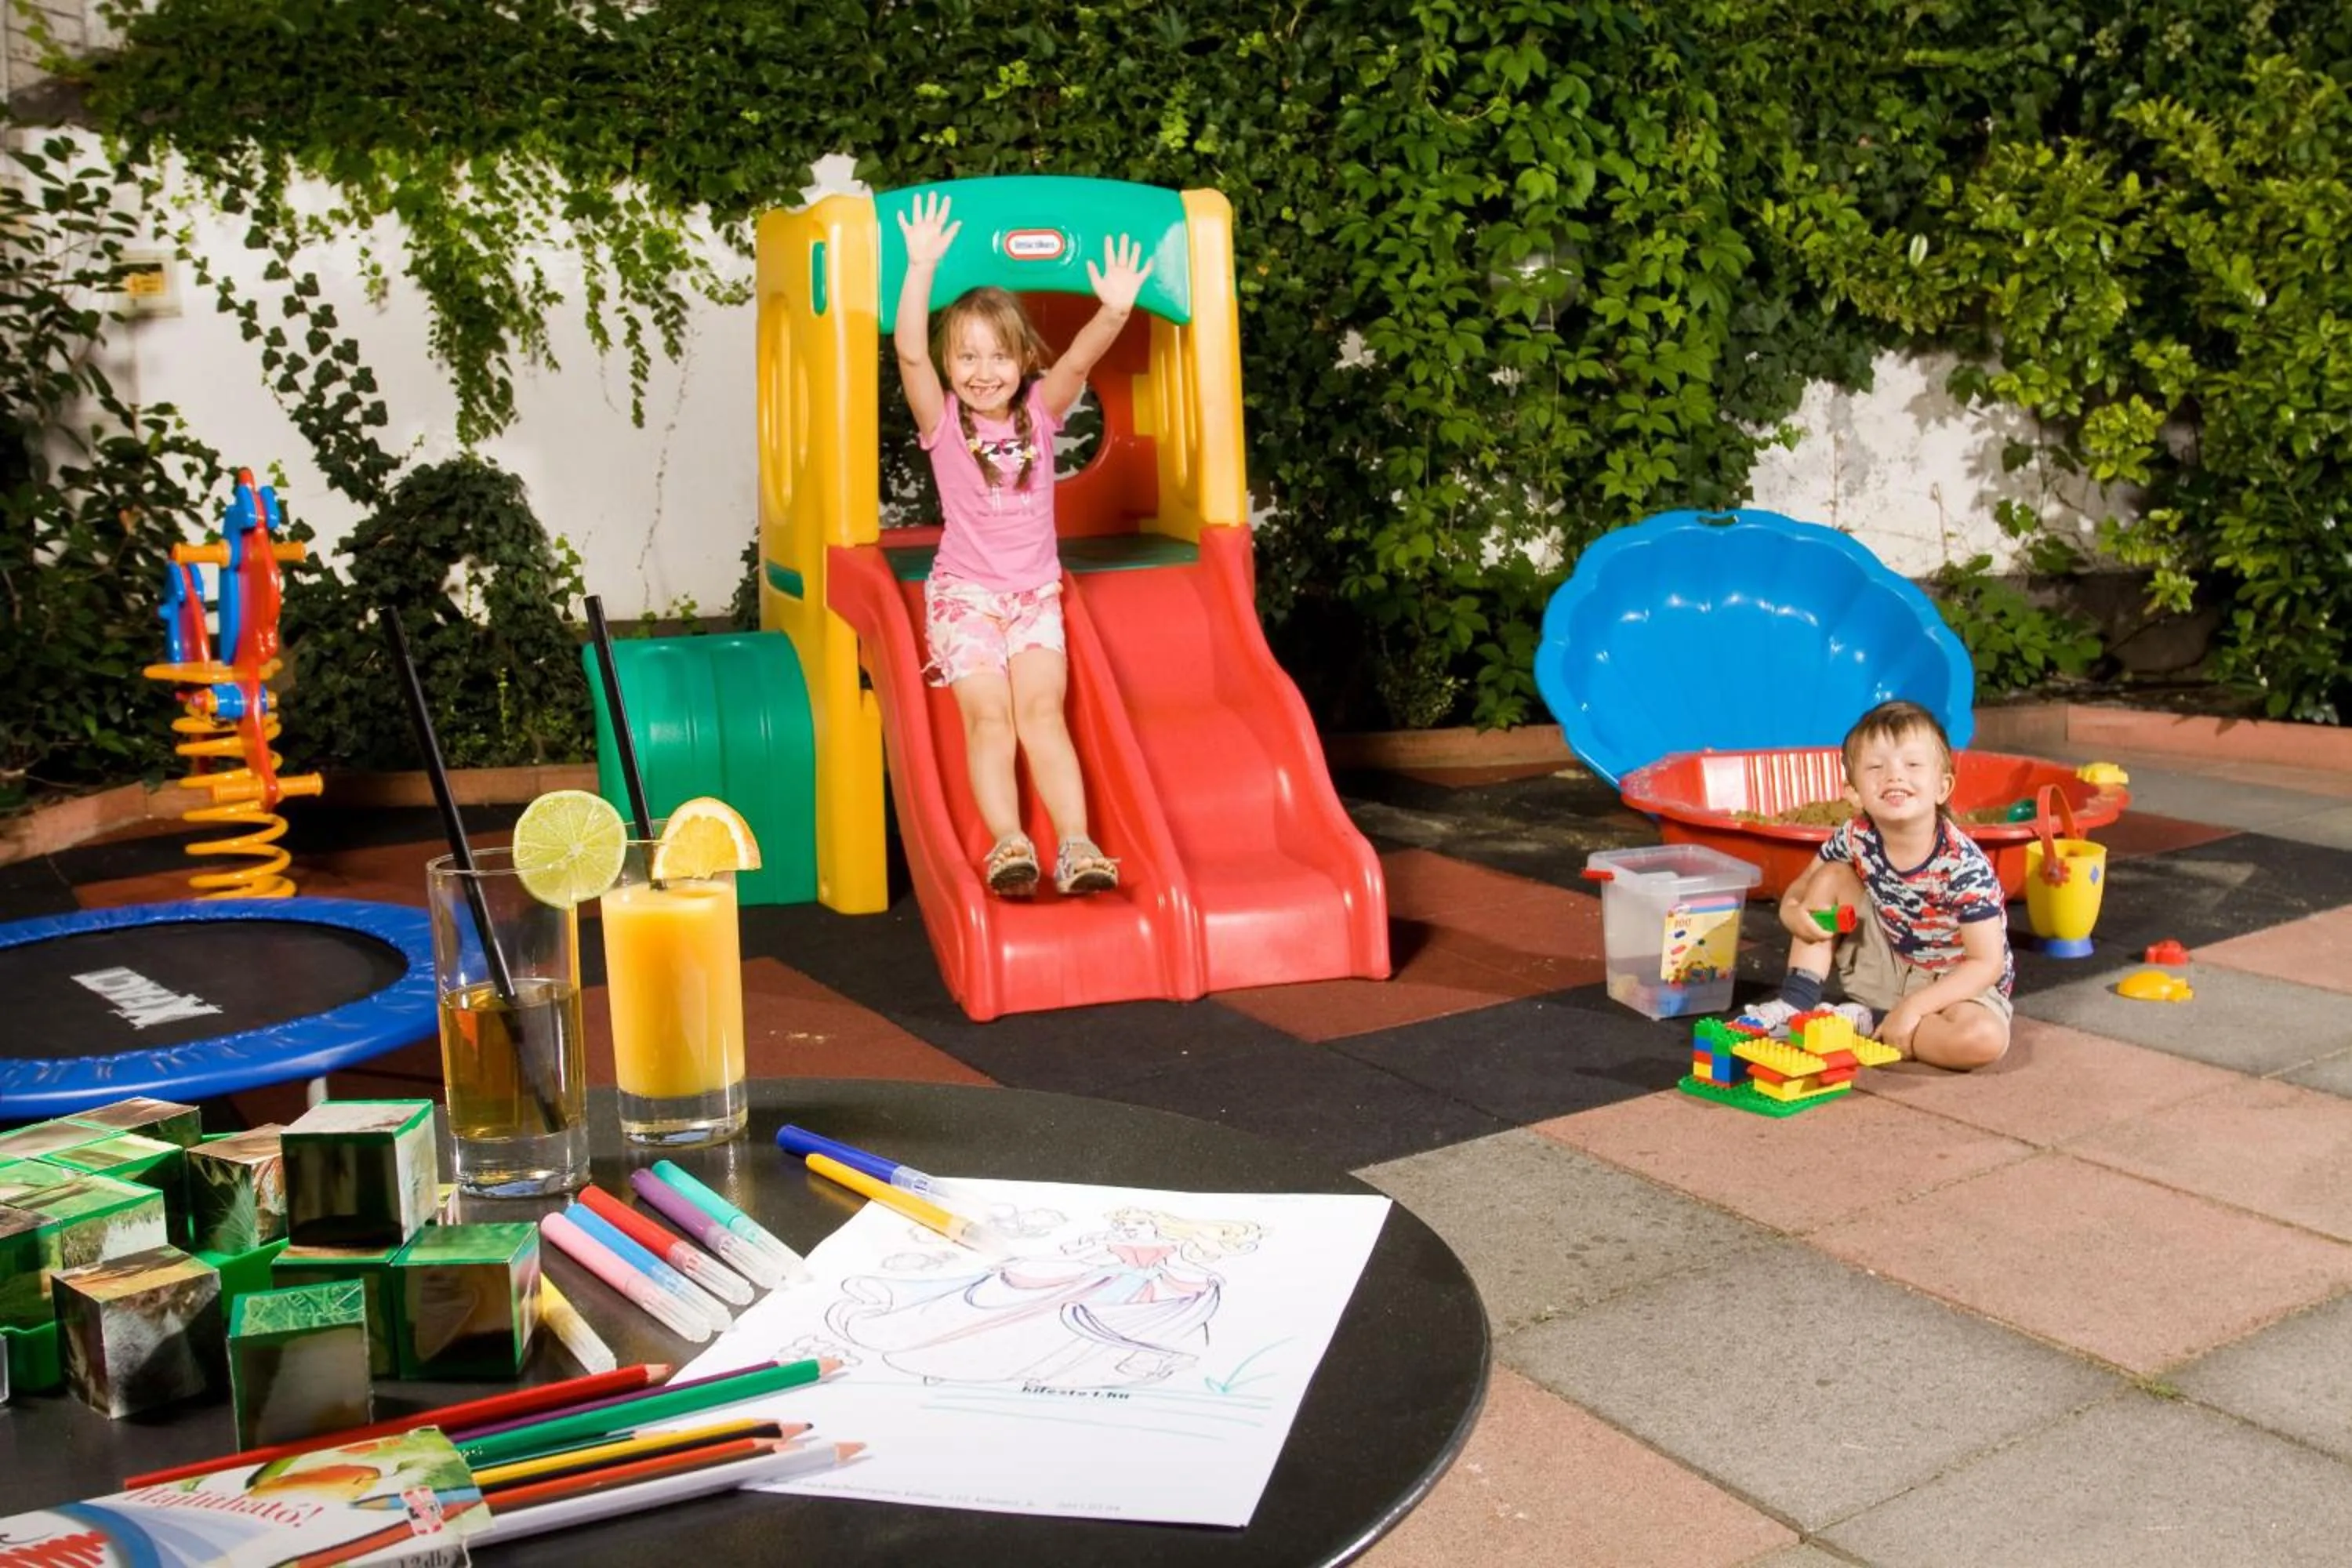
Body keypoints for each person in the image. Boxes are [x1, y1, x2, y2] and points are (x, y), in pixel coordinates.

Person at [894, 191, 1152, 898]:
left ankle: (1077, 846)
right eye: (967, 356)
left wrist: (1116, 309)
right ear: (950, 366)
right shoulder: (943, 422)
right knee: (989, 716)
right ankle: (1009, 843)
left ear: (1021, 359)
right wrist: (921, 267)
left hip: (1035, 599)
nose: (983, 370)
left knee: (1042, 714)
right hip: (965, 600)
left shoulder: (1041, 413)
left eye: (999, 355)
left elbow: (1077, 360)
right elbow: (909, 350)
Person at [1740, 699, 2013, 1069]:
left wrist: (1914, 1008)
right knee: (1832, 875)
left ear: (1943, 786)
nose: (1893, 775)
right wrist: (1792, 911)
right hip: (1883, 965)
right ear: (1853, 792)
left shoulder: (1963, 865)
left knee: (1982, 1040)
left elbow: (1987, 963)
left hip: (1954, 986)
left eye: (1912, 764)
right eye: (1875, 767)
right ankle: (1797, 1003)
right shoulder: (1856, 835)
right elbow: (1804, 885)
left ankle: (1874, 1021)